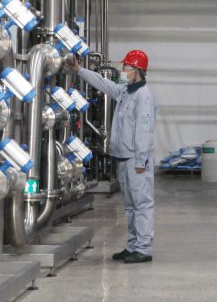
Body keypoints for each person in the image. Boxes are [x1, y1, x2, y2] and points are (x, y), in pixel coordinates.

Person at [65, 49, 158, 264]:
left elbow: (144, 131)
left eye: (127, 67)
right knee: (130, 205)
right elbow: (103, 83)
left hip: (136, 160)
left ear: (137, 70)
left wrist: (141, 161)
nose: (123, 71)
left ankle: (143, 248)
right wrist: (79, 70)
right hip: (124, 157)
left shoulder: (144, 96)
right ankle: (133, 245)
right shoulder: (125, 91)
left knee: (142, 204)